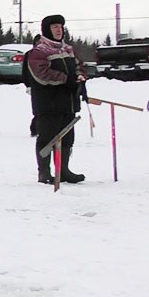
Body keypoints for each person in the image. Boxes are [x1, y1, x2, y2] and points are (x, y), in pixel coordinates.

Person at [27, 15, 86, 184]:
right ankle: (44, 172)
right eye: (54, 27)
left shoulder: (68, 49)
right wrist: (65, 79)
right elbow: (41, 74)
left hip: (67, 103)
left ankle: (64, 170)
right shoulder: (38, 51)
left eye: (61, 26)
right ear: (47, 30)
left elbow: (79, 66)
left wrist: (80, 75)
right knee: (47, 137)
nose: (59, 30)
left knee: (67, 138)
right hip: (48, 103)